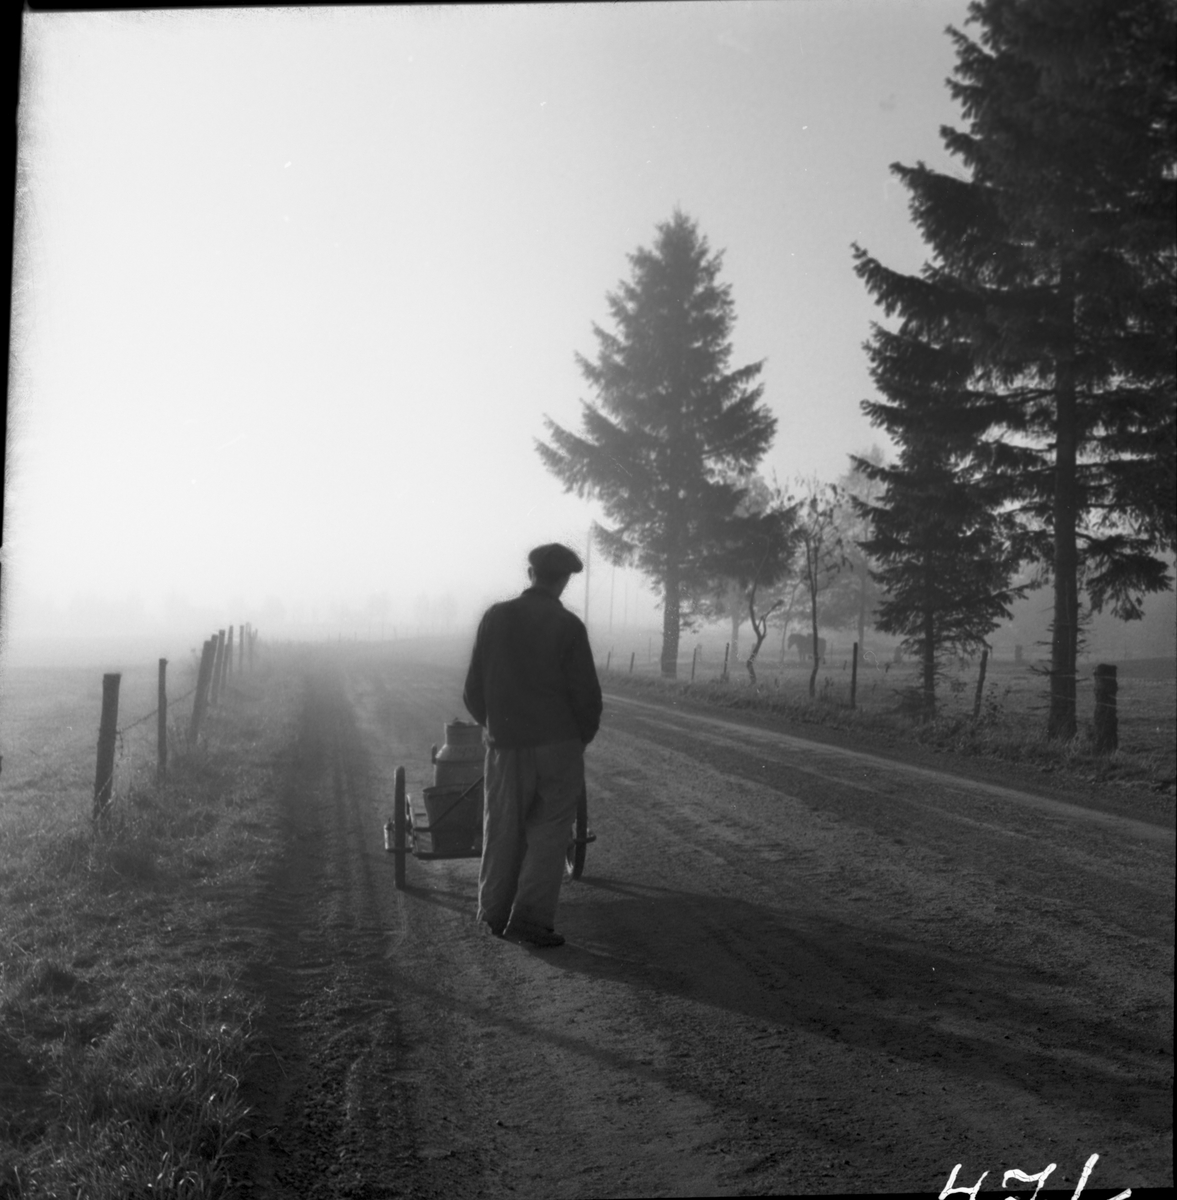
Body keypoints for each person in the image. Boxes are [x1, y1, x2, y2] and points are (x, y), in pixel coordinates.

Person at [463, 542, 603, 948]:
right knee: (549, 833)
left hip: (506, 747)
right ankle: (529, 921)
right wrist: (577, 739)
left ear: (531, 575)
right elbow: (587, 698)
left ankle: (494, 914)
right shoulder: (569, 627)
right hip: (559, 745)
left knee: (502, 826)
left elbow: (472, 691)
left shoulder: (494, 618)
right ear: (564, 581)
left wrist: (497, 729)